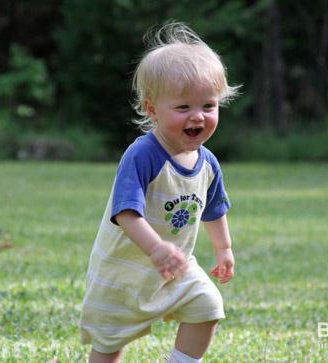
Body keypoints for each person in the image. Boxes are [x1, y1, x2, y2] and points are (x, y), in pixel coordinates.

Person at [80, 21, 240, 363]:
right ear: (152, 109)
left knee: (208, 305)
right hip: (125, 274)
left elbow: (214, 208)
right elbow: (126, 213)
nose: (197, 116)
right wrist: (156, 249)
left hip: (176, 268)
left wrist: (223, 248)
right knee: (109, 343)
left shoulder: (208, 162)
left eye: (208, 106)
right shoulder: (143, 155)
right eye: (183, 107)